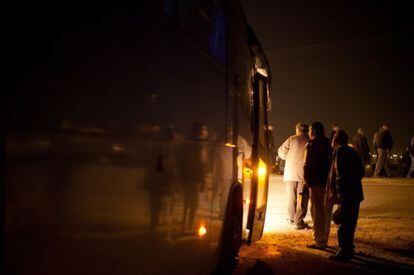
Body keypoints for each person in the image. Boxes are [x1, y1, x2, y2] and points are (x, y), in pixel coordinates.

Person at [326, 130, 364, 261]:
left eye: (333, 138)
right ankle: (348, 249)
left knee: (343, 223)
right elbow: (361, 171)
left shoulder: (340, 151)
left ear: (337, 140)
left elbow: (340, 175)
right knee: (350, 223)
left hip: (346, 194)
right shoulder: (353, 152)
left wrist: (339, 195)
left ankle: (344, 251)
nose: (331, 140)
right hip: (355, 193)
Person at [304, 122, 332, 250]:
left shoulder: (312, 144)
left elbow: (308, 165)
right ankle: (324, 238)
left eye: (310, 130)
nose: (309, 132)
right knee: (326, 211)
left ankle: (319, 241)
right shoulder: (329, 143)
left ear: (314, 131)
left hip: (315, 183)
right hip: (328, 182)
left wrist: (307, 181)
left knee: (317, 211)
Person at [278, 123, 310, 229]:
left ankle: (292, 218)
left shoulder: (292, 139)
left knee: (291, 197)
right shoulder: (310, 140)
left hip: (290, 173)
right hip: (303, 174)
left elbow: (281, 153)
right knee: (302, 198)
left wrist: (289, 156)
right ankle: (299, 220)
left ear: (297, 129)